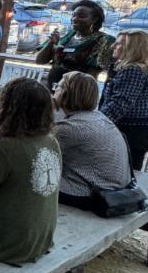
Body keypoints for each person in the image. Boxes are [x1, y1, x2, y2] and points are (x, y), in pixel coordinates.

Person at [0, 77, 60, 265]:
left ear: (8, 108)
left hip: (9, 241)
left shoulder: (5, 146)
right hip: (41, 236)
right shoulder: (51, 141)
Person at [52, 72, 132, 210]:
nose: (54, 90)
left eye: (57, 87)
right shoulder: (98, 117)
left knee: (32, 178)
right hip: (116, 188)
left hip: (94, 195)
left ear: (66, 93)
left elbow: (38, 153)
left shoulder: (70, 128)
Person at [99, 30, 148, 170]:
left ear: (132, 48)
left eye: (118, 44)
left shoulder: (133, 70)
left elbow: (119, 104)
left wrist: (95, 123)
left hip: (129, 132)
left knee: (118, 174)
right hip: (144, 130)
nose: (113, 46)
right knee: (131, 172)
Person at [35, 0, 115, 87]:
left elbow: (91, 75)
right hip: (52, 88)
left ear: (95, 19)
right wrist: (51, 43)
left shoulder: (103, 41)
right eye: (73, 15)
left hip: (77, 92)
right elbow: (39, 61)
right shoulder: (66, 36)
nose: (74, 19)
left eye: (81, 16)